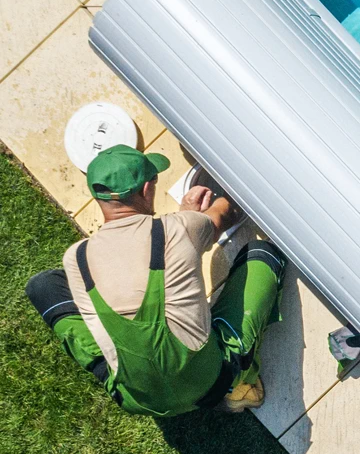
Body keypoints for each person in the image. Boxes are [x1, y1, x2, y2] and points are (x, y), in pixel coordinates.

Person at [23, 144, 284, 415]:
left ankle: (108, 369)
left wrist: (185, 220)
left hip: (138, 399)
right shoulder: (177, 229)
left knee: (43, 286)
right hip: (209, 384)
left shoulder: (76, 258)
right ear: (147, 189)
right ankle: (237, 388)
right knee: (263, 255)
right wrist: (191, 217)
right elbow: (226, 212)